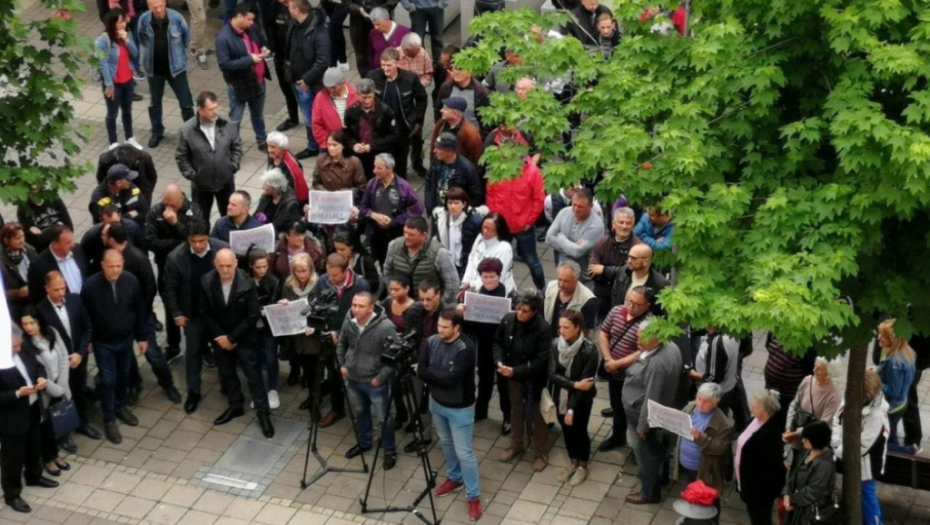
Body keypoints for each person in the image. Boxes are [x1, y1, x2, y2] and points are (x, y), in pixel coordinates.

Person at [199, 249, 275, 438]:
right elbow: (205, 312)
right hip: (220, 338)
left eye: (228, 265)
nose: (224, 269)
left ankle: (263, 414)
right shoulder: (207, 281)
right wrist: (221, 337)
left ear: (235, 264)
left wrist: (232, 338)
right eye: (221, 265)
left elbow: (252, 315)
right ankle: (235, 405)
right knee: (227, 373)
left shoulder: (246, 283)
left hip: (244, 338)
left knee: (254, 376)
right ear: (215, 264)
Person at [418, 309, 482, 521]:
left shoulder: (465, 349)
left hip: (460, 408)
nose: (440, 330)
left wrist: (431, 374)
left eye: (445, 327)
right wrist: (434, 374)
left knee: (464, 452)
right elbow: (421, 370)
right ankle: (455, 477)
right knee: (446, 443)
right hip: (438, 403)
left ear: (457, 327)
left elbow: (451, 379)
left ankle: (473, 496)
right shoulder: (433, 341)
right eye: (439, 326)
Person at [81, 250, 149, 444]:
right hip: (103, 342)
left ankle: (120, 406)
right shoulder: (91, 286)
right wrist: (89, 341)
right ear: (103, 265)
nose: (115, 270)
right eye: (111, 266)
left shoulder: (130, 281)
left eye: (119, 266)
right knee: (108, 379)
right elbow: (85, 316)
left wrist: (142, 337)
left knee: (123, 375)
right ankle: (109, 417)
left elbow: (139, 309)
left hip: (125, 339)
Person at [163, 221, 229, 413]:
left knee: (222, 351)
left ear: (208, 237)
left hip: (217, 314)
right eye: (193, 241)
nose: (198, 245)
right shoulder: (176, 258)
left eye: (202, 240)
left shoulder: (221, 250)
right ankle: (193, 391)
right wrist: (177, 314)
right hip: (192, 315)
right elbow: (170, 289)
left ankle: (227, 382)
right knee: (192, 354)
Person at [33, 272, 99, 443]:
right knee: (60, 398)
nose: (61, 293)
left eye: (63, 288)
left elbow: (87, 327)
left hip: (78, 359)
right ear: (46, 288)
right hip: (57, 365)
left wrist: (80, 352)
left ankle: (82, 423)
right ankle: (64, 434)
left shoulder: (75, 300)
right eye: (56, 290)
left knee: (79, 391)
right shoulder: (40, 310)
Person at [622, 322, 683, 504]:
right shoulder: (671, 346)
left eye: (642, 338)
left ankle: (649, 492)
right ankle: (661, 477)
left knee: (645, 455)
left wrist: (643, 425)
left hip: (644, 415)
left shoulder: (656, 364)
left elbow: (652, 396)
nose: (637, 340)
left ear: (656, 341)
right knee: (659, 448)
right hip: (662, 411)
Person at [337, 292, 399, 469]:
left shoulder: (386, 327)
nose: (356, 309)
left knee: (383, 417)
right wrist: (342, 364)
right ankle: (364, 443)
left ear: (371, 308)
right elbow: (342, 343)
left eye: (361, 306)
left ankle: (389, 450)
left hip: (374, 382)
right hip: (354, 378)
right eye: (354, 305)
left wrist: (380, 378)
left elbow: (394, 356)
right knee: (360, 412)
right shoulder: (349, 319)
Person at [494, 290, 553, 471]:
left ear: (535, 311)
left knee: (538, 415)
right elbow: (497, 342)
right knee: (516, 411)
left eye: (525, 310)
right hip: (512, 376)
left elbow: (540, 360)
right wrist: (499, 362)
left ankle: (540, 452)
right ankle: (516, 443)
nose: (520, 312)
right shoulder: (508, 320)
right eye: (518, 308)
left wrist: (514, 371)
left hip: (534, 380)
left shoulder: (543, 329)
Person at [0, 327, 58, 514]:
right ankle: (12, 494)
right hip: (12, 416)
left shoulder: (23, 348)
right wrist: (17, 393)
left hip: (33, 407)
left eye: (18, 344)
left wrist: (41, 377)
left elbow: (38, 366)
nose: (18, 349)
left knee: (34, 444)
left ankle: (34, 475)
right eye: (13, 347)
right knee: (13, 457)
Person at [145, 184, 204, 360]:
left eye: (173, 204)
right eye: (166, 203)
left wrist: (176, 223)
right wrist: (177, 244)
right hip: (166, 267)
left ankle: (203, 346)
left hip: (191, 267)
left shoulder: (194, 210)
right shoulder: (155, 213)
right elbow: (150, 242)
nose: (168, 208)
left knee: (198, 306)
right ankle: (173, 345)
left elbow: (195, 238)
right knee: (170, 306)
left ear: (181, 199)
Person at [313, 253, 371, 423]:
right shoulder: (323, 281)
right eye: (329, 274)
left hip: (353, 338)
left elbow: (363, 314)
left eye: (335, 275)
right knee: (333, 375)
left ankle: (364, 413)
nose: (331, 278)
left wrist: (341, 332)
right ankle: (337, 409)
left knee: (357, 375)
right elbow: (319, 304)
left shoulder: (360, 285)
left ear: (346, 271)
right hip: (330, 338)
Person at [457, 259, 512, 431]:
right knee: (485, 380)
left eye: (492, 277)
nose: (488, 280)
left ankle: (507, 417)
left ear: (499, 276)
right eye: (485, 277)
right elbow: (470, 326)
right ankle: (481, 411)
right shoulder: (477, 296)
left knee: (503, 384)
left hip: (503, 347)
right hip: (484, 345)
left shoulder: (508, 294)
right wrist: (462, 314)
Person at [597, 285, 652, 450]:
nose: (631, 306)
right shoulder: (616, 312)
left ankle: (638, 445)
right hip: (613, 372)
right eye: (629, 301)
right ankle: (618, 436)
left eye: (636, 304)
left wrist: (617, 364)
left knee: (633, 411)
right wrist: (608, 359)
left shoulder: (649, 324)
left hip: (633, 377)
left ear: (646, 306)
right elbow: (604, 333)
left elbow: (642, 350)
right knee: (616, 406)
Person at [176, 91, 244, 219]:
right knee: (200, 221)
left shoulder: (226, 123)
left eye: (216, 107)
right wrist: (193, 175)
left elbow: (237, 145)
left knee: (229, 218)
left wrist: (232, 166)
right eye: (210, 109)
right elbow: (181, 156)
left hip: (225, 182)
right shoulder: (187, 130)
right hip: (201, 186)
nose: (215, 112)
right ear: (200, 110)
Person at [832, 369, 887, 525]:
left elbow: (862, 446)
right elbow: (837, 419)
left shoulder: (876, 415)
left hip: (867, 464)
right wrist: (836, 442)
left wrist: (837, 449)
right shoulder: (851, 394)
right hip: (845, 453)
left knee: (868, 498)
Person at [18, 313, 71, 477]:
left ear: (39, 322)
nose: (28, 328)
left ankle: (56, 455)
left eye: (31, 323)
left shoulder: (51, 332)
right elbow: (37, 372)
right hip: (44, 393)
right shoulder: (26, 345)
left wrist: (62, 385)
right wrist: (54, 388)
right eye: (24, 324)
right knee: (45, 428)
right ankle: (48, 458)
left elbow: (63, 357)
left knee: (58, 423)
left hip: (60, 387)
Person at [549, 310, 598, 487]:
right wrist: (574, 385)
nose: (561, 331)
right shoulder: (555, 345)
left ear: (577, 328)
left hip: (581, 400)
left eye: (566, 327)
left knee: (580, 430)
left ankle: (583, 466)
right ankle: (573, 462)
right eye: (560, 326)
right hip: (561, 395)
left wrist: (571, 408)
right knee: (566, 431)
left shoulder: (589, 350)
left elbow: (586, 383)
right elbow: (552, 375)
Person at [137, 0, 195, 148]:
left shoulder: (176, 18)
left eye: (160, 6)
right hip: (154, 70)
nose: (158, 10)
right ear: (149, 7)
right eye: (154, 7)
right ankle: (157, 132)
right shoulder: (144, 20)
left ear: (165, 4)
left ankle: (192, 135)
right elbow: (141, 38)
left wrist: (178, 56)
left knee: (186, 103)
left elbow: (186, 38)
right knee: (154, 103)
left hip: (176, 69)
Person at [485, 153, 546, 293]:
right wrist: (494, 218)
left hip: (523, 226)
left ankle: (542, 290)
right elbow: (490, 193)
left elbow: (539, 199)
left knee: (531, 260)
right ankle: (498, 290)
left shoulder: (532, 172)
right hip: (502, 225)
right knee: (499, 259)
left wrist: (530, 221)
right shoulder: (497, 168)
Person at [673, 382, 734, 519]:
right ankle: (691, 518)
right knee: (690, 493)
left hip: (704, 471)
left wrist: (701, 438)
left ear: (716, 403)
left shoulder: (723, 423)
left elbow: (720, 448)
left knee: (708, 500)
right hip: (685, 464)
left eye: (706, 402)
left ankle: (710, 521)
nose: (700, 403)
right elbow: (676, 424)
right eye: (699, 398)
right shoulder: (689, 408)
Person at [216, 3, 271, 151]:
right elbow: (225, 64)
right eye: (249, 19)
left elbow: (261, 39)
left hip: (257, 80)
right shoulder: (224, 38)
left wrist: (264, 47)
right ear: (239, 16)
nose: (252, 23)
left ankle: (262, 139)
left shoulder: (251, 28)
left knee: (258, 114)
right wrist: (249, 60)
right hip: (238, 84)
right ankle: (233, 145)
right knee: (236, 118)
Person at [367, 48, 429, 179]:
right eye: (383, 64)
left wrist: (417, 120)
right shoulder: (372, 76)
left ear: (397, 63)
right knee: (381, 163)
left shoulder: (410, 78)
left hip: (402, 129)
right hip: (381, 130)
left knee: (400, 164)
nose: (385, 68)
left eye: (389, 65)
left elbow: (422, 98)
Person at [358, 154, 426, 265]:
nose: (374, 171)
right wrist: (373, 215)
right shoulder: (372, 184)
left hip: (397, 234)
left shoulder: (404, 187)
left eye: (379, 168)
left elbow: (417, 209)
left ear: (389, 169)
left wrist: (394, 221)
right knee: (381, 261)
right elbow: (363, 208)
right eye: (375, 167)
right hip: (376, 234)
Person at [286, 0, 331, 159]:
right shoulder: (294, 24)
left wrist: (306, 80)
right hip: (297, 81)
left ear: (297, 10)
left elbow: (323, 61)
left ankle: (323, 147)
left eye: (290, 7)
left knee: (316, 118)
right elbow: (290, 48)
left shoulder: (319, 32)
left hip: (311, 84)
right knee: (307, 117)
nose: (288, 9)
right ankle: (313, 146)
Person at [736, 388, 787, 525]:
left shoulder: (769, 434)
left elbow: (771, 467)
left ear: (766, 410)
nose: (751, 407)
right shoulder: (755, 420)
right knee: (754, 516)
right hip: (748, 484)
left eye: (756, 406)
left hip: (759, 491)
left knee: (760, 518)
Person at [278, 253, 323, 408]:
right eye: (298, 271)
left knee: (314, 370)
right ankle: (312, 394)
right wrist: (284, 306)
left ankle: (316, 398)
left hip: (313, 338)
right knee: (305, 368)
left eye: (305, 270)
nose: (302, 274)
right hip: (297, 336)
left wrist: (315, 326)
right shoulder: (288, 286)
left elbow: (325, 311)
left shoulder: (319, 285)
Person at [382, 216, 460, 303]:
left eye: (411, 234)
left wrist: (438, 305)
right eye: (405, 233)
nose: (406, 237)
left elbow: (452, 284)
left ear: (424, 235)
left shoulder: (439, 253)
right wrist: (393, 293)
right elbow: (387, 271)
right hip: (401, 302)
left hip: (427, 306)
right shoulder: (394, 246)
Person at [96, 8, 143, 150]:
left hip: (127, 80)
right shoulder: (103, 40)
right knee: (112, 113)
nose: (123, 25)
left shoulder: (127, 34)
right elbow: (102, 62)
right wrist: (109, 85)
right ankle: (113, 142)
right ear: (113, 23)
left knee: (127, 110)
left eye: (124, 21)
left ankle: (129, 137)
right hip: (113, 82)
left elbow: (135, 53)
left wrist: (127, 40)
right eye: (120, 22)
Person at [782, 358, 841, 467]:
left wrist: (795, 434)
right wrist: (789, 427)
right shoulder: (807, 380)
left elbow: (822, 425)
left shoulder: (833, 396)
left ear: (829, 372)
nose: (814, 370)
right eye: (815, 366)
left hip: (812, 443)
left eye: (819, 369)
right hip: (796, 437)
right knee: (795, 463)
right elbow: (794, 405)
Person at [546, 188, 605, 287]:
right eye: (574, 204)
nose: (576, 209)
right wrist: (573, 247)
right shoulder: (564, 212)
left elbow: (577, 252)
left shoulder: (596, 225)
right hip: (564, 271)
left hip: (585, 278)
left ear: (590, 206)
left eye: (581, 206)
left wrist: (560, 237)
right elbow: (548, 238)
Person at [781, 421, 837, 525]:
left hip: (810, 513)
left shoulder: (825, 465)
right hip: (799, 507)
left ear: (816, 440)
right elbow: (793, 473)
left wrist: (791, 499)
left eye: (806, 439)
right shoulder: (807, 452)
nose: (802, 441)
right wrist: (787, 493)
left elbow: (813, 491)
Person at [876, 318, 918, 454]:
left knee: (879, 442)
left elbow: (892, 391)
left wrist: (875, 380)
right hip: (900, 404)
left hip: (892, 407)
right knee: (890, 434)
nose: (879, 338)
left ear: (893, 339)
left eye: (883, 336)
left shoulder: (895, 363)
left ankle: (906, 451)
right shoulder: (906, 353)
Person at [590, 208, 642, 320]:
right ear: (613, 224)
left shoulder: (638, 247)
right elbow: (592, 272)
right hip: (602, 298)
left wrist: (605, 270)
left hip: (624, 300)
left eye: (628, 223)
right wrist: (618, 271)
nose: (624, 226)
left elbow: (631, 274)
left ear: (633, 225)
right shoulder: (602, 243)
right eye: (621, 222)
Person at [247, 248, 282, 409]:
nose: (262, 270)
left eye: (264, 266)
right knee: (256, 358)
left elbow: (271, 305)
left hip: (268, 327)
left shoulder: (273, 281)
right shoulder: (245, 280)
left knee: (270, 358)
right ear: (251, 266)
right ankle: (260, 392)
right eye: (258, 267)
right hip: (251, 327)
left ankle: (272, 389)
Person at [344, 79, 399, 179]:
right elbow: (346, 133)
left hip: (379, 156)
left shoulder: (385, 111)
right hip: (359, 156)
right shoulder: (351, 111)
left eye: (370, 97)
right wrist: (354, 144)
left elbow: (393, 136)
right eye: (364, 97)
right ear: (357, 95)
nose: (367, 101)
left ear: (374, 94)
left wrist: (372, 146)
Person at [27, 224, 89, 305]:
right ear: (54, 245)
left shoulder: (78, 250)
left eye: (72, 240)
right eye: (68, 243)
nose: (72, 244)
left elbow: (87, 273)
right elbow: (36, 298)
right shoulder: (38, 266)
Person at [764, 336, 816, 428]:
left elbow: (810, 370)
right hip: (770, 387)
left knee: (782, 418)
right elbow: (768, 345)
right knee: (769, 413)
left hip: (788, 393)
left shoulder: (807, 344)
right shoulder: (777, 328)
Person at [432, 187, 484, 277]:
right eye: (450, 203)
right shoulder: (441, 219)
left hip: (466, 265)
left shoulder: (474, 222)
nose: (453, 206)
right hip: (448, 263)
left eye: (456, 203)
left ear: (464, 204)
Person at [265, 0, 300, 133]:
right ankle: (292, 117)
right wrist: (272, 46)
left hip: (297, 57)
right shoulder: (273, 6)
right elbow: (269, 26)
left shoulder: (300, 5)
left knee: (304, 91)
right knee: (285, 88)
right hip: (280, 55)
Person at [426, 133, 483, 214]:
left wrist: (462, 213)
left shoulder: (467, 169)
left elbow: (476, 195)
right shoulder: (436, 160)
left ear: (449, 151)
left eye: (439, 148)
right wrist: (429, 203)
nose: (434, 151)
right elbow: (429, 180)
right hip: (438, 211)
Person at [459, 213, 515, 294]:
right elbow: (471, 259)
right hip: (474, 288)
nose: (485, 231)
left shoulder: (504, 249)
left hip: (497, 293)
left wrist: (470, 285)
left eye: (490, 229)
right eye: (484, 227)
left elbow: (496, 276)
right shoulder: (479, 238)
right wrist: (465, 281)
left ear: (498, 230)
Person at [543, 262, 598, 340]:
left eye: (566, 281)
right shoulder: (550, 287)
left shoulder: (587, 301)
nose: (561, 284)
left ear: (576, 279)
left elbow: (585, 331)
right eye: (559, 279)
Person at [94, 142, 159, 207]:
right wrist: (112, 195)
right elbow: (101, 179)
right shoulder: (105, 160)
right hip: (118, 194)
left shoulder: (144, 157)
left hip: (141, 190)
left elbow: (152, 177)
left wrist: (146, 194)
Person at [312, 68, 358, 154]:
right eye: (328, 87)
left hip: (351, 144)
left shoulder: (355, 94)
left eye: (334, 87)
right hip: (331, 145)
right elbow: (316, 124)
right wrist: (327, 144)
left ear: (343, 82)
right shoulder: (320, 98)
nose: (331, 90)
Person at [312, 131, 368, 203]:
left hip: (346, 200)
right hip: (327, 200)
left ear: (343, 146)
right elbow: (316, 182)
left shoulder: (354, 162)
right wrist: (324, 192)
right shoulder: (321, 160)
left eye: (335, 145)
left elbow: (362, 186)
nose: (331, 148)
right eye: (329, 145)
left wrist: (347, 192)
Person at [347, 0, 398, 76]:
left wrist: (379, 11)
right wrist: (359, 9)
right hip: (358, 23)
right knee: (361, 56)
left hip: (380, 20)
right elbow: (347, 3)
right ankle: (366, 81)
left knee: (384, 53)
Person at [433, 65, 491, 133]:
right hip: (448, 134)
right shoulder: (446, 87)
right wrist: (438, 128)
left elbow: (486, 123)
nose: (457, 72)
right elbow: (438, 108)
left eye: (461, 69)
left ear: (470, 72)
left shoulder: (481, 93)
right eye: (455, 69)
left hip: (470, 136)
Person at [429, 97, 483, 167]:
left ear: (456, 113)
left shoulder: (470, 132)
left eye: (445, 109)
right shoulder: (441, 124)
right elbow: (434, 144)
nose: (441, 110)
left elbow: (475, 157)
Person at [15, 188, 73, 253]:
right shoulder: (24, 210)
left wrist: (43, 234)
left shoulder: (54, 199)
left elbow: (69, 228)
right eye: (32, 190)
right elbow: (36, 242)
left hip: (63, 243)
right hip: (44, 251)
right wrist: (57, 228)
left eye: (36, 189)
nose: (35, 193)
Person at [1, 223, 37, 322]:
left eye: (23, 236)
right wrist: (17, 293)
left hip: (35, 295)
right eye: (17, 238)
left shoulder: (28, 250)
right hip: (17, 305)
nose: (22, 240)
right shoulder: (2, 262)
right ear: (6, 240)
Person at [266, 131, 311, 207]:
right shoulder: (273, 155)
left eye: (273, 147)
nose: (269, 149)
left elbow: (292, 190)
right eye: (268, 146)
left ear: (282, 148)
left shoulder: (290, 166)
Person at [333, 229, 381, 296]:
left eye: (342, 249)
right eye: (336, 249)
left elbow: (375, 284)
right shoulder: (335, 259)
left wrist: (355, 281)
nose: (339, 253)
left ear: (351, 246)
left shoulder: (365, 260)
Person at [255, 169, 303, 234]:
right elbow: (257, 214)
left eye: (265, 185)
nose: (263, 187)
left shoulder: (290, 205)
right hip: (265, 231)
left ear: (274, 187)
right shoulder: (265, 196)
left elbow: (291, 228)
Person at [321, 0, 349, 69]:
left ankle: (333, 64)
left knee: (332, 32)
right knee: (337, 30)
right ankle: (343, 60)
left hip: (342, 4)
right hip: (328, 3)